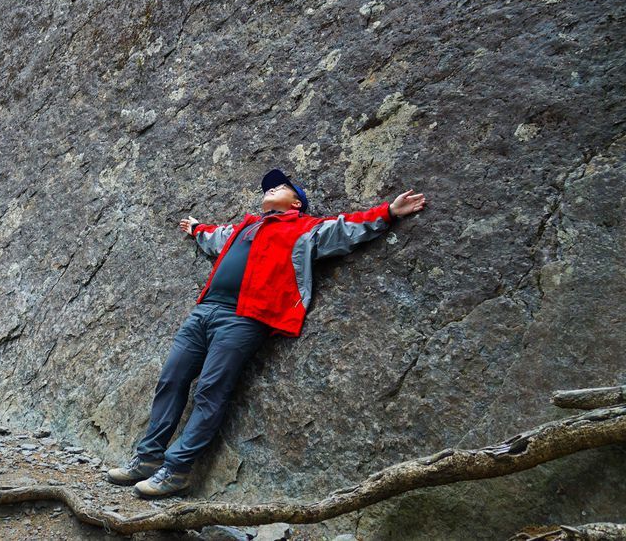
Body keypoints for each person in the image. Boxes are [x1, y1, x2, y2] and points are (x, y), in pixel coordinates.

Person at [106, 169, 427, 498]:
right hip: (203, 311)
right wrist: (197, 229)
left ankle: (176, 471)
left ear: (297, 202)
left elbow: (345, 228)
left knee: (210, 391)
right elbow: (217, 237)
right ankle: (146, 459)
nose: (271, 188)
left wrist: (388, 212)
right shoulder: (245, 226)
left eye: (281, 186)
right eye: (269, 186)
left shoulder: (305, 228)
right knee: (171, 380)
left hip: (244, 318)